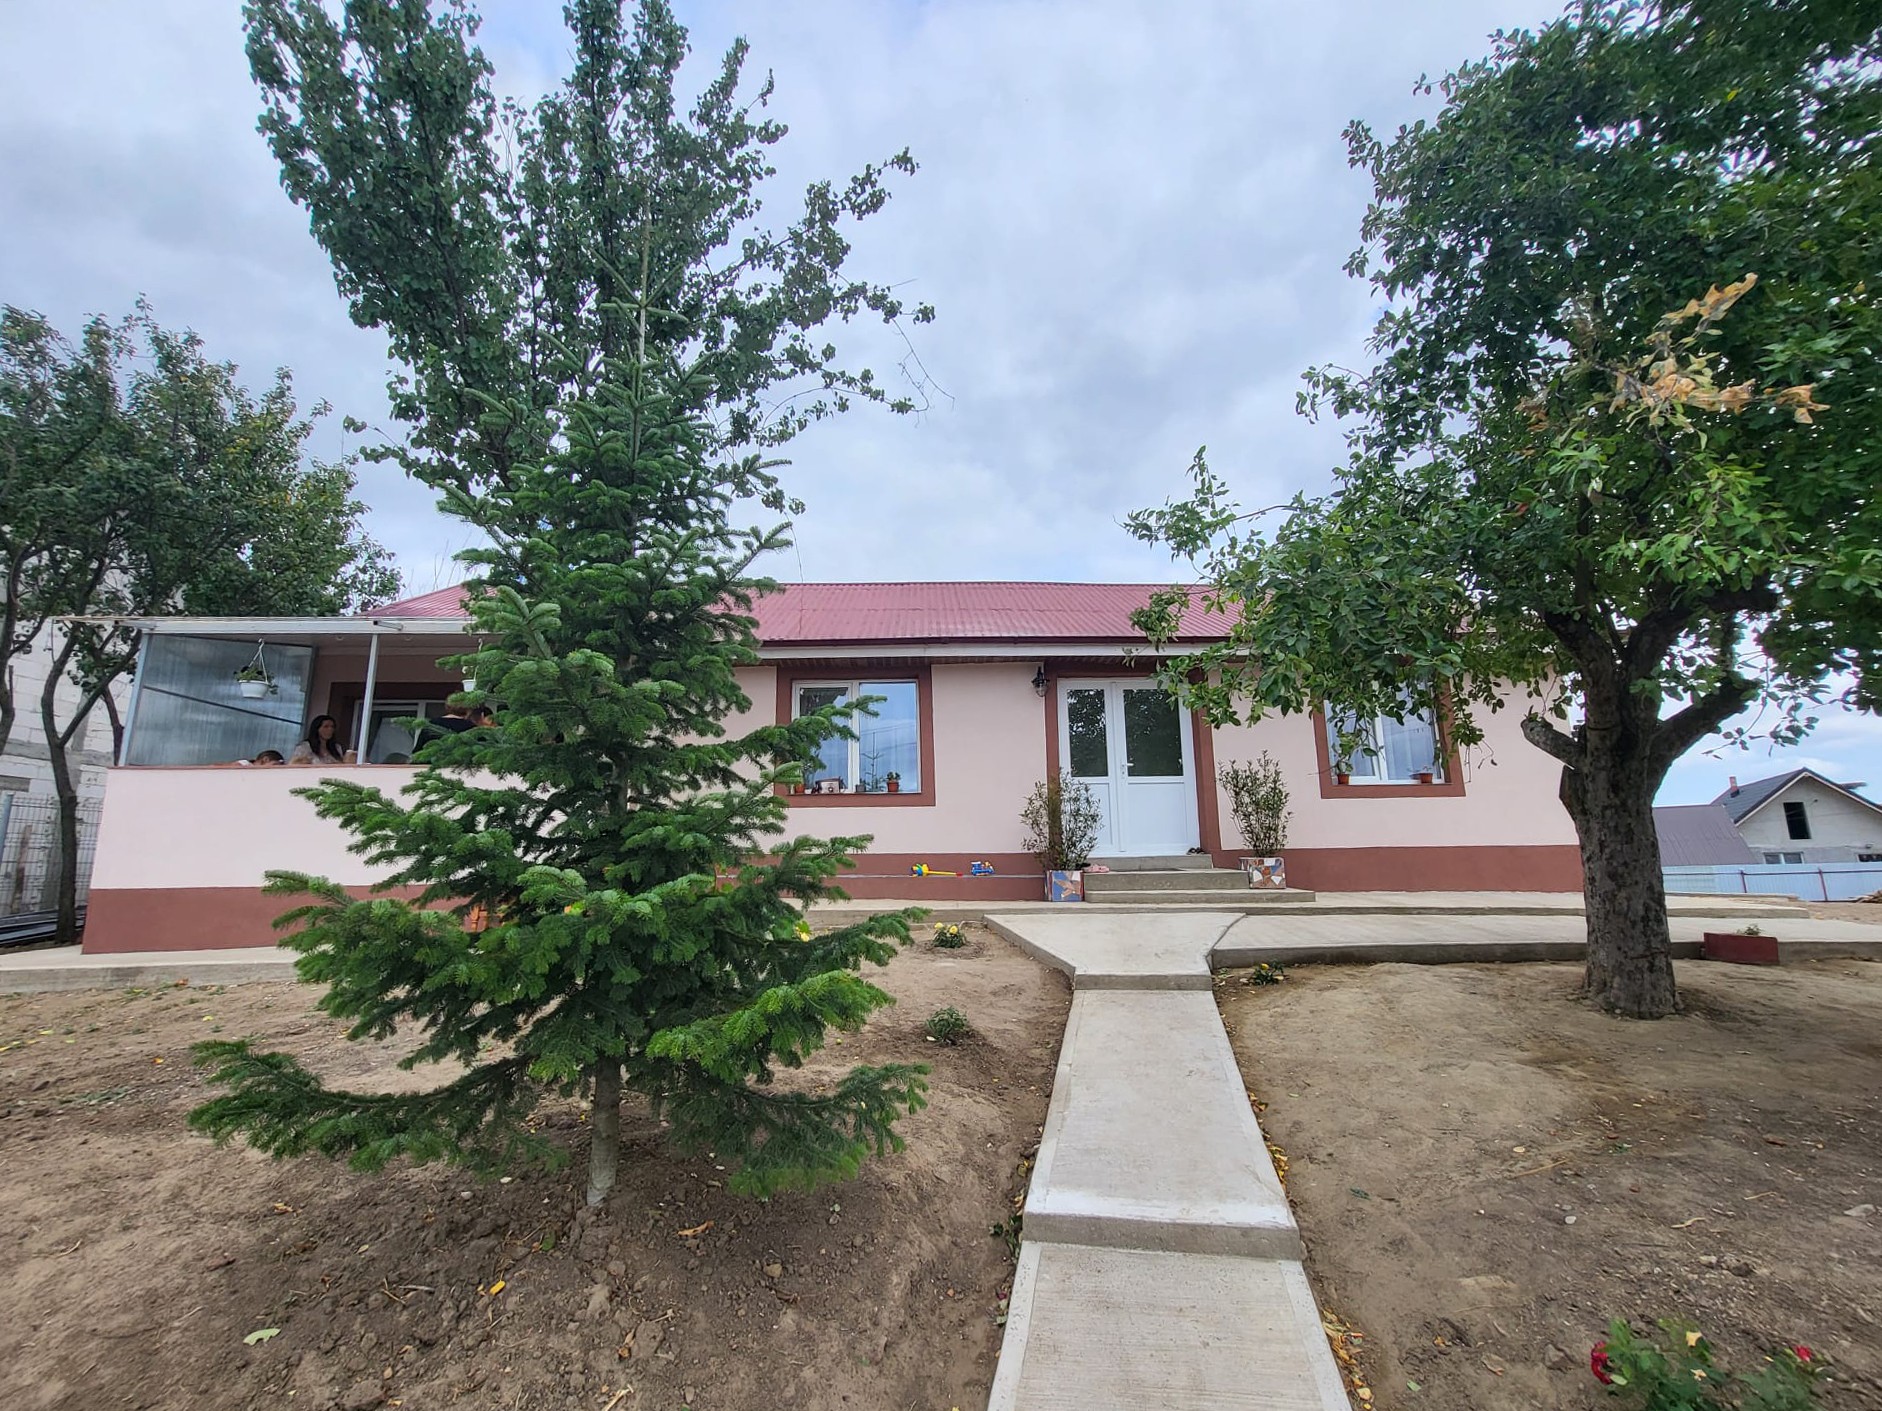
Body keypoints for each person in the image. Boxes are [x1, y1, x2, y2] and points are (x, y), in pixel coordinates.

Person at [288, 714, 353, 765]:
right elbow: (295, 765)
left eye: (332, 727)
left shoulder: (337, 747)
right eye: (326, 727)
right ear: (317, 729)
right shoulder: (305, 747)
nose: (330, 730)